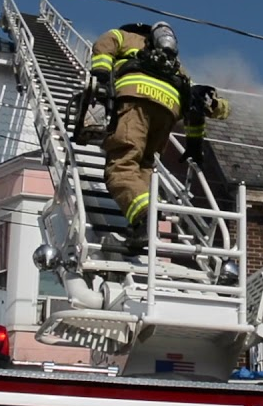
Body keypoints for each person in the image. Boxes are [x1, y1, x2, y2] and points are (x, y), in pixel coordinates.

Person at [89, 21, 229, 252]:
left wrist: (102, 76)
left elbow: (103, 47)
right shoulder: (175, 65)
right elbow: (194, 101)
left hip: (136, 101)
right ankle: (143, 228)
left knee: (122, 165)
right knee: (143, 166)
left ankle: (145, 215)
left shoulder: (123, 35)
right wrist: (194, 143)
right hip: (167, 112)